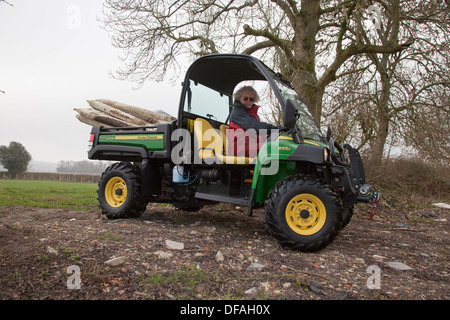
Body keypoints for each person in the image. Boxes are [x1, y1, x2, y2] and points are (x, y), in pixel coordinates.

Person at [227, 86, 280, 157]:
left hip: (250, 145)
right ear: (239, 98)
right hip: (239, 147)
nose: (248, 101)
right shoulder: (237, 113)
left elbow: (258, 134)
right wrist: (276, 129)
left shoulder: (252, 114)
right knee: (272, 148)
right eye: (245, 98)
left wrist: (272, 136)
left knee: (278, 143)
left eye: (251, 99)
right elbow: (255, 127)